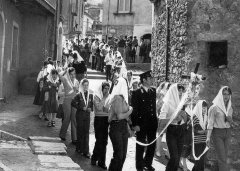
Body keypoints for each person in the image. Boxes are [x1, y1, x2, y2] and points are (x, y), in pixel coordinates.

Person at [131, 70, 157, 171]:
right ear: (144, 80)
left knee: (152, 144)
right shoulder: (137, 92)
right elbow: (134, 110)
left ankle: (148, 163)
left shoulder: (153, 91)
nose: (152, 80)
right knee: (140, 145)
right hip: (141, 124)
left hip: (152, 123)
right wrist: (135, 124)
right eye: (150, 78)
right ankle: (139, 166)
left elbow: (153, 107)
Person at [108, 69, 133, 171]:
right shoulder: (117, 98)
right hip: (116, 127)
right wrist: (130, 110)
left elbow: (125, 118)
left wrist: (129, 128)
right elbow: (119, 116)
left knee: (123, 156)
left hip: (122, 127)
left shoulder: (123, 99)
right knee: (119, 155)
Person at [159, 83, 188, 171]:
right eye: (179, 90)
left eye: (182, 90)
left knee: (178, 157)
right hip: (172, 131)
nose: (181, 92)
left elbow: (185, 119)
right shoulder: (167, 104)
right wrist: (173, 119)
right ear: (173, 91)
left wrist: (184, 115)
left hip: (181, 130)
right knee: (174, 157)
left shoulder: (183, 103)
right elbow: (161, 121)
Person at [207, 86, 234, 171]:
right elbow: (210, 123)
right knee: (222, 157)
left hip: (227, 132)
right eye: (224, 94)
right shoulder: (214, 107)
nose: (226, 96)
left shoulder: (230, 108)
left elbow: (230, 122)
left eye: (228, 94)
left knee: (224, 156)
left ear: (230, 95)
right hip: (217, 133)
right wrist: (208, 137)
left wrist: (231, 121)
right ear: (220, 95)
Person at [71, 79, 93, 158]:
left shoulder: (90, 95)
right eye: (84, 85)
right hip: (80, 115)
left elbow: (91, 104)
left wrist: (91, 108)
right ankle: (79, 148)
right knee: (80, 132)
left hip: (87, 116)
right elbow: (73, 103)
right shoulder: (78, 94)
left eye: (87, 85)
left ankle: (86, 151)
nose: (86, 87)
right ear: (81, 86)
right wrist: (80, 107)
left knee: (86, 132)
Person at [91, 82, 110, 169]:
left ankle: (100, 160)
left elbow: (109, 109)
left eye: (108, 88)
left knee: (104, 141)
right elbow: (98, 108)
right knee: (99, 140)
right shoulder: (96, 96)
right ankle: (96, 159)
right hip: (99, 120)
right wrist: (104, 99)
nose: (107, 90)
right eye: (105, 88)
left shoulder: (110, 97)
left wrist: (105, 108)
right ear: (101, 89)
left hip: (106, 120)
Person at [59, 67, 79, 143]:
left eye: (74, 74)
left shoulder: (77, 81)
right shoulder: (65, 80)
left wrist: (76, 90)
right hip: (67, 100)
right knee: (67, 117)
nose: (73, 76)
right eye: (71, 74)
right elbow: (59, 75)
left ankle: (74, 138)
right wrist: (66, 70)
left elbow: (78, 91)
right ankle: (62, 135)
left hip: (74, 101)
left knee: (74, 118)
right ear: (68, 74)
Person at [155, 82, 171, 158]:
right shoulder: (162, 95)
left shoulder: (171, 96)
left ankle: (167, 152)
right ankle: (158, 150)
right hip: (162, 117)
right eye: (168, 87)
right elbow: (158, 105)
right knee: (160, 134)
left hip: (169, 118)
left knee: (169, 135)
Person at [192, 100, 208, 171]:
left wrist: (206, 131)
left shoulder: (206, 117)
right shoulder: (195, 117)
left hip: (204, 141)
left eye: (205, 108)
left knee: (202, 160)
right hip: (197, 141)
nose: (204, 110)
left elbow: (208, 128)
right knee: (198, 159)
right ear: (199, 107)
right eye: (202, 108)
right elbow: (193, 130)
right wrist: (201, 131)